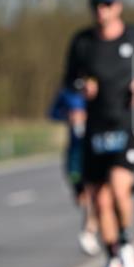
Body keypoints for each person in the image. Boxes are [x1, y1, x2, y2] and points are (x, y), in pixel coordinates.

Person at [63, 0, 134, 267]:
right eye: (96, 5)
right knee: (100, 202)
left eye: (107, 4)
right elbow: (69, 80)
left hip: (126, 123)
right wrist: (82, 86)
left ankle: (127, 244)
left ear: (118, 6)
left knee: (119, 186)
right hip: (95, 127)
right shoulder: (83, 42)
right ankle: (113, 255)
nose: (101, 10)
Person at [48, 85, 100, 255]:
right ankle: (92, 226)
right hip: (75, 151)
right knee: (81, 196)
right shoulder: (67, 91)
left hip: (94, 148)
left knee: (93, 192)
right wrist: (67, 116)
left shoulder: (98, 88)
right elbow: (52, 113)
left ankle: (89, 231)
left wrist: (90, 116)